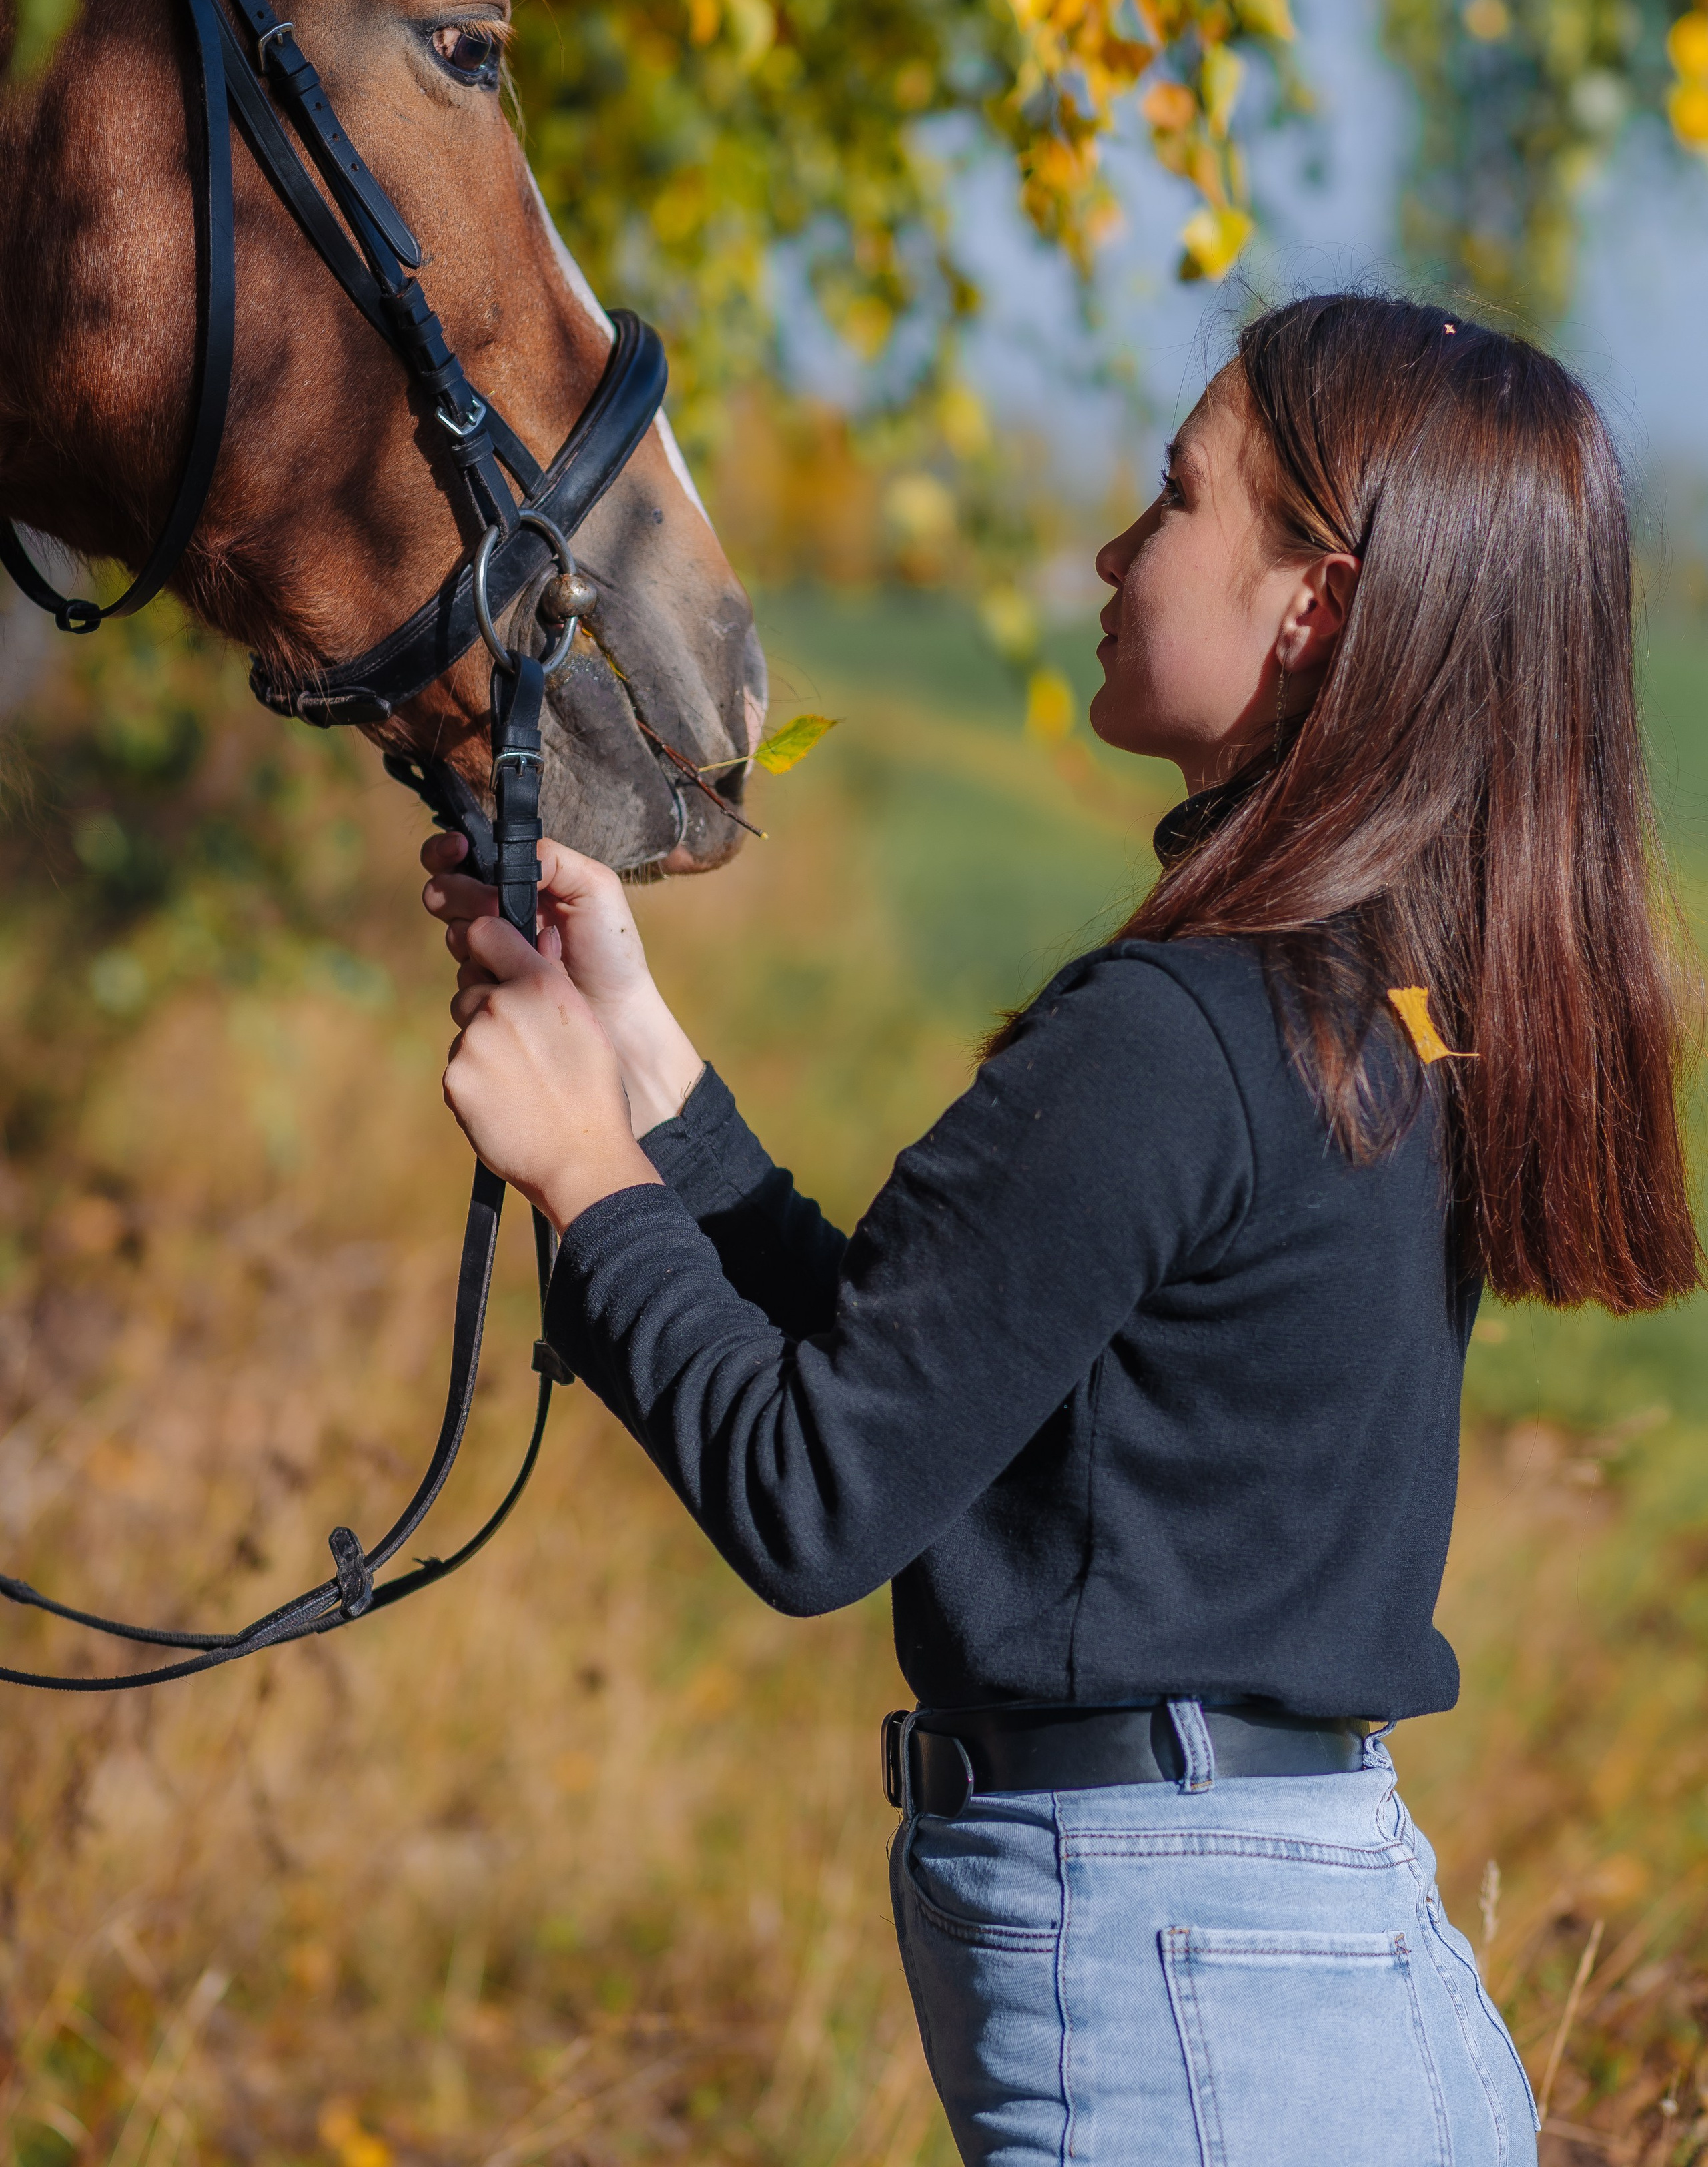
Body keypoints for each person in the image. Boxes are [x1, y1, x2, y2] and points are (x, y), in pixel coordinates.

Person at [420, 290, 1700, 2166]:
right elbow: (922, 1382)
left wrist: (581, 1177)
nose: (1111, 552)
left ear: (1315, 604)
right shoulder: (1355, 1020)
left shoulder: (1177, 1041)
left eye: (1176, 497)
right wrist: (637, 1060)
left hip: (1198, 2007)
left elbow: (814, 1500)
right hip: (1310, 1969)